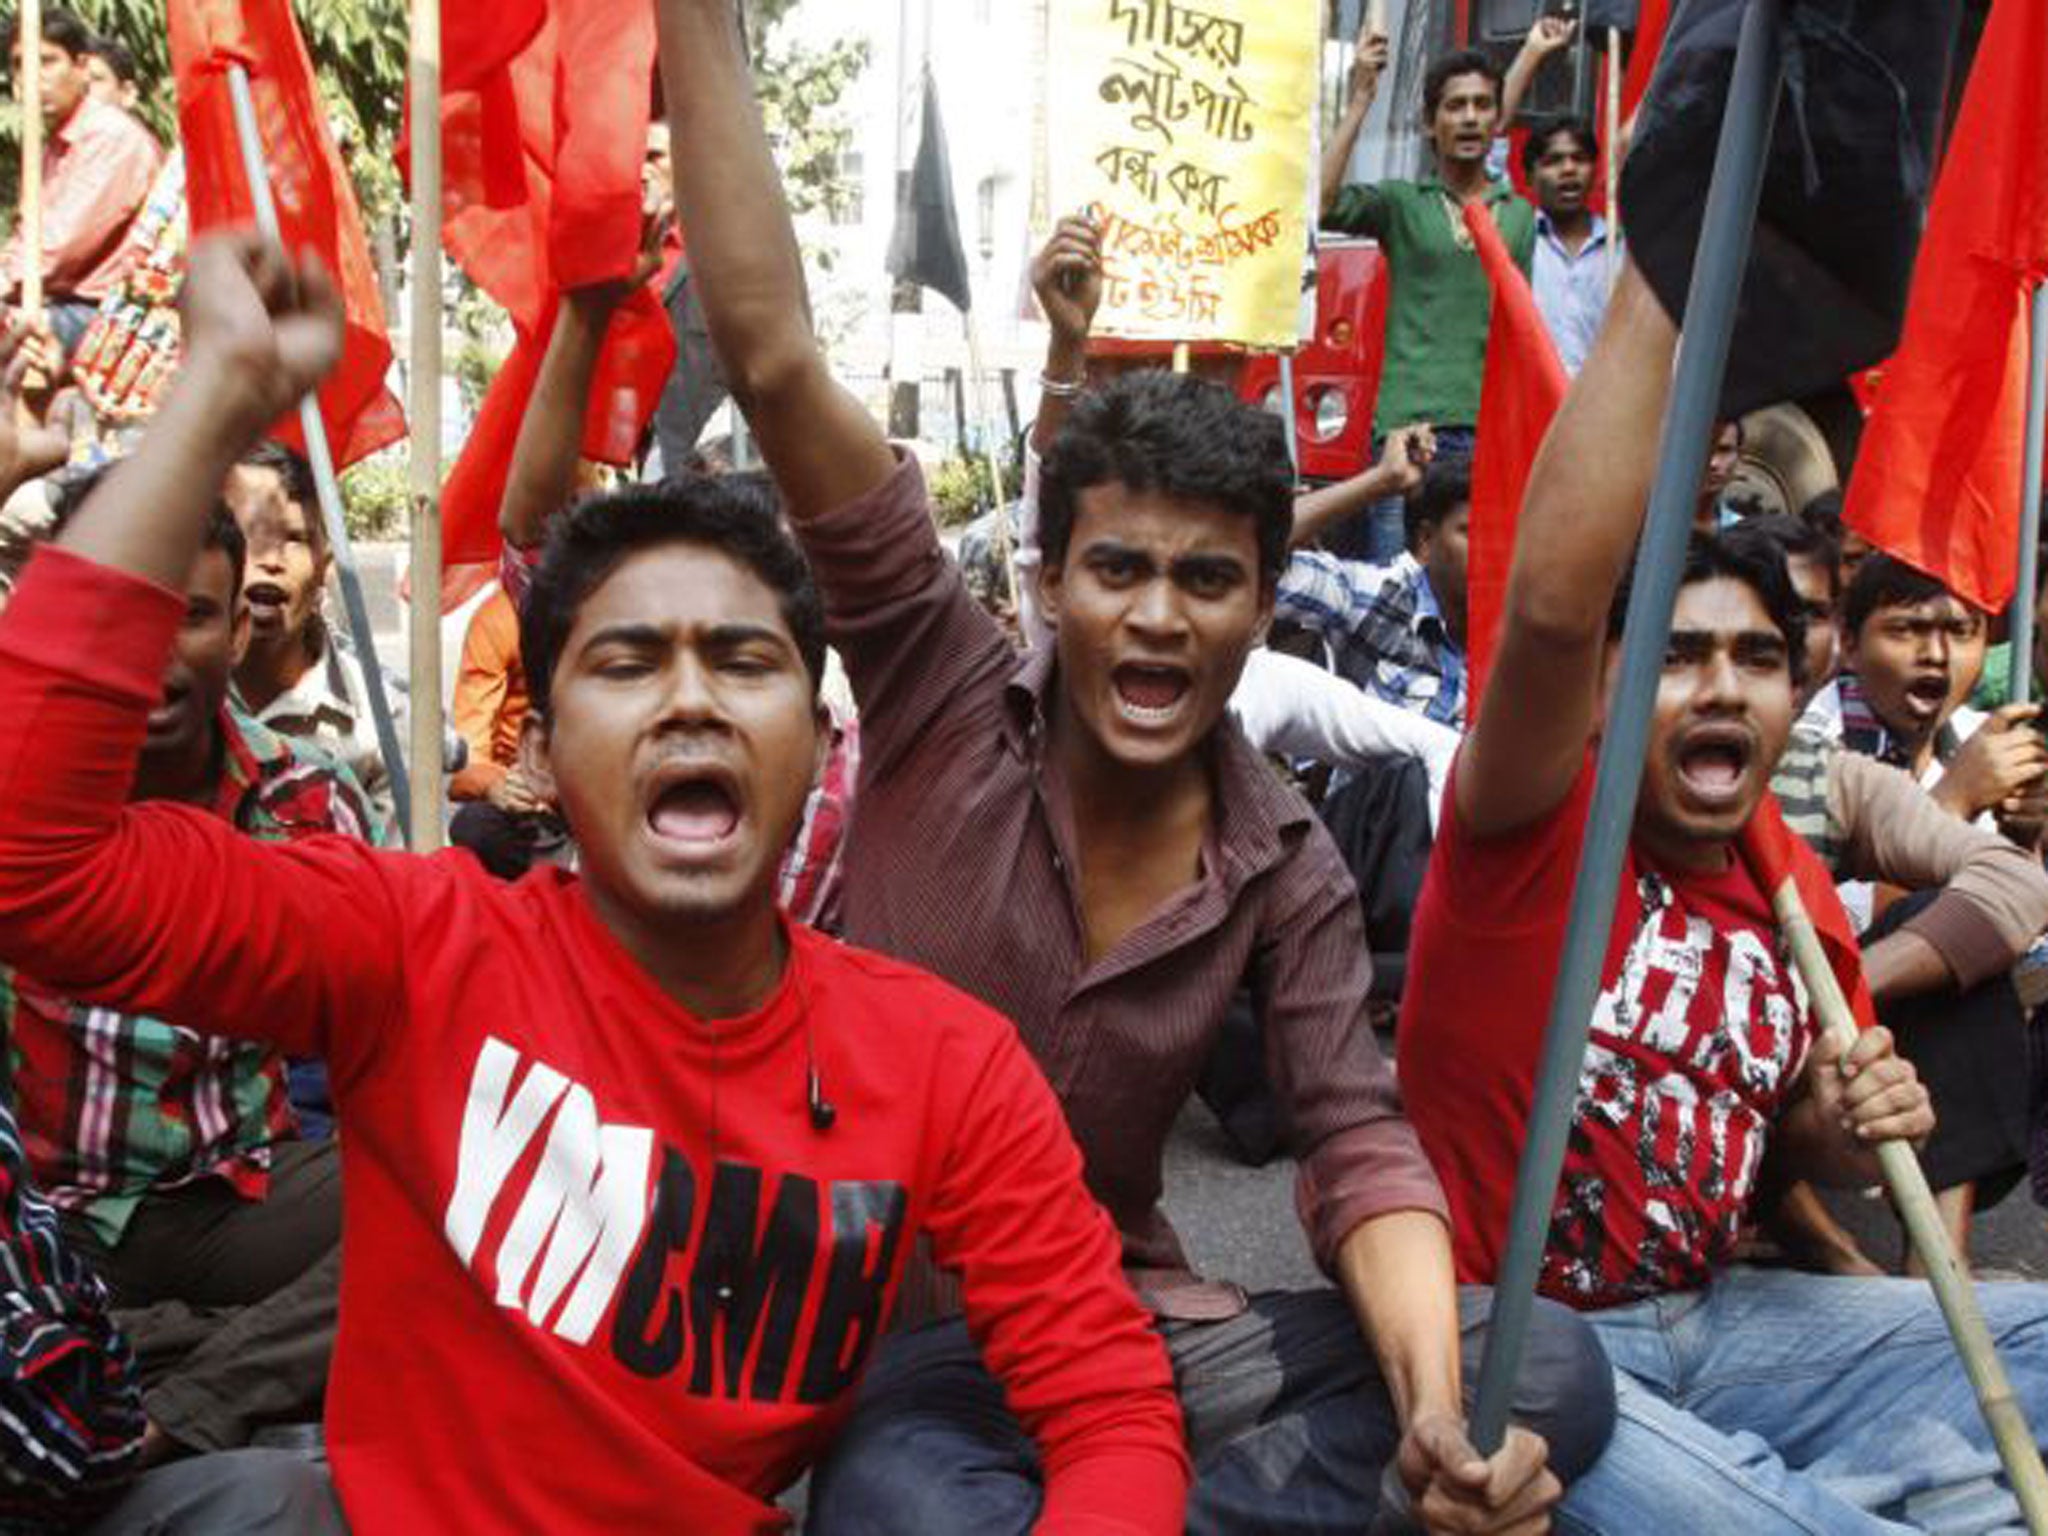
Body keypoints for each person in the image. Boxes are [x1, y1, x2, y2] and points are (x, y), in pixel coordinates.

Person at [0, 230, 1192, 1531]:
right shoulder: (416, 942)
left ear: (816, 742)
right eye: (626, 666)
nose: (689, 698)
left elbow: (1105, 1401)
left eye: (742, 661)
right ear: (550, 753)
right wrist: (213, 396)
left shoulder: (944, 1067)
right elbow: (33, 865)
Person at [656, 4, 1614, 1531]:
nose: (1158, 614)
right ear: (1049, 579)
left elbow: (1357, 1139)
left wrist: (1439, 1419)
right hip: (916, 1353)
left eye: (1207, 579)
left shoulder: (1283, 854)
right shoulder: (937, 684)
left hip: (1137, 1334)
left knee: (1540, 1373)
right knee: (913, 1509)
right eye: (1118, 568)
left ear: (1263, 602)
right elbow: (769, 359)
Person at [1399, 253, 2048, 1529]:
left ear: (1790, 692)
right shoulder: (1534, 823)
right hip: (1531, 1348)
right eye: (1673, 653)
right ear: (1610, 689)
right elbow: (1542, 607)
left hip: (1724, 1320)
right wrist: (1667, 240)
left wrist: (1836, 1124)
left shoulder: (1796, 894)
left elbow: (1791, 1155)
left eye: (1754, 656)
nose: (1718, 685)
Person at [4, 451, 362, 1455]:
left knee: (463, 1199)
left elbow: (385, 1031)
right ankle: (174, 1357)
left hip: (236, 1200)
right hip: (40, 1222)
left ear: (238, 626)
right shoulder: (12, 783)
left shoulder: (306, 796)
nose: (153, 656)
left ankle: (170, 1400)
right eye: (120, 615)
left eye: (191, 618)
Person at [0, 1077, 345, 1535]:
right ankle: (190, 1408)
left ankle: (190, 1405)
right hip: (79, 1232)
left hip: (243, 1191)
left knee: (432, 1223)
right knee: (273, 1494)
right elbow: (62, 1456)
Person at [1317, 21, 1569, 559]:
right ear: (1431, 123)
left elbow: (1520, 335)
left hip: (1492, 438)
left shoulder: (1521, 215)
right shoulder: (1403, 203)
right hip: (1410, 435)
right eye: (1455, 106)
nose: (1470, 117)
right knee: (1398, 589)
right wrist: (1362, 95)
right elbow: (1322, 204)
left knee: (1474, 593)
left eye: (1482, 105)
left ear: (1497, 119)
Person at [224, 441, 416, 831]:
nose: (271, 561)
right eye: (250, 533)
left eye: (294, 538)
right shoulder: (169, 700)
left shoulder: (383, 721)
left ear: (325, 565)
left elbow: (403, 873)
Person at [0, 7, 161, 351]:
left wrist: (4, 277)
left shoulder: (111, 137)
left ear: (82, 66)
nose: (31, 77)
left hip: (105, 316)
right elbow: (25, 237)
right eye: (19, 65)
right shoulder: (54, 147)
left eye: (47, 62)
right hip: (57, 302)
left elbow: (58, 247)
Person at [1277, 458, 1473, 730]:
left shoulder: (1520, 630)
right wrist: (1381, 480)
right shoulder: (1380, 595)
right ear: (1427, 540)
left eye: (1501, 532)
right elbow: (1257, 558)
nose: (1491, 548)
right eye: (1472, 532)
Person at [448, 585, 566, 882]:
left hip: (602, 798)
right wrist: (497, 785)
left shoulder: (610, 603)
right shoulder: (497, 619)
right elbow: (468, 752)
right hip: (533, 811)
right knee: (473, 827)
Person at [1524, 117, 1617, 376]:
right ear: (1530, 176)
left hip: (1595, 403)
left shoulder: (1620, 250)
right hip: (1530, 402)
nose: (1569, 169)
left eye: (1580, 159)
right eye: (1553, 161)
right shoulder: (1517, 240)